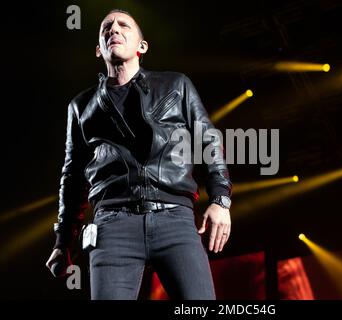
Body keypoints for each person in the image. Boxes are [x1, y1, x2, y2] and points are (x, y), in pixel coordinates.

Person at [45, 9, 232, 300]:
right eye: (106, 28)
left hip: (175, 220)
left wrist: (220, 199)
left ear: (141, 46)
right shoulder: (81, 107)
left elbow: (208, 141)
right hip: (112, 227)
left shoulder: (175, 85)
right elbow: (72, 177)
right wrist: (62, 241)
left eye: (123, 26)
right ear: (98, 49)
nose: (113, 30)